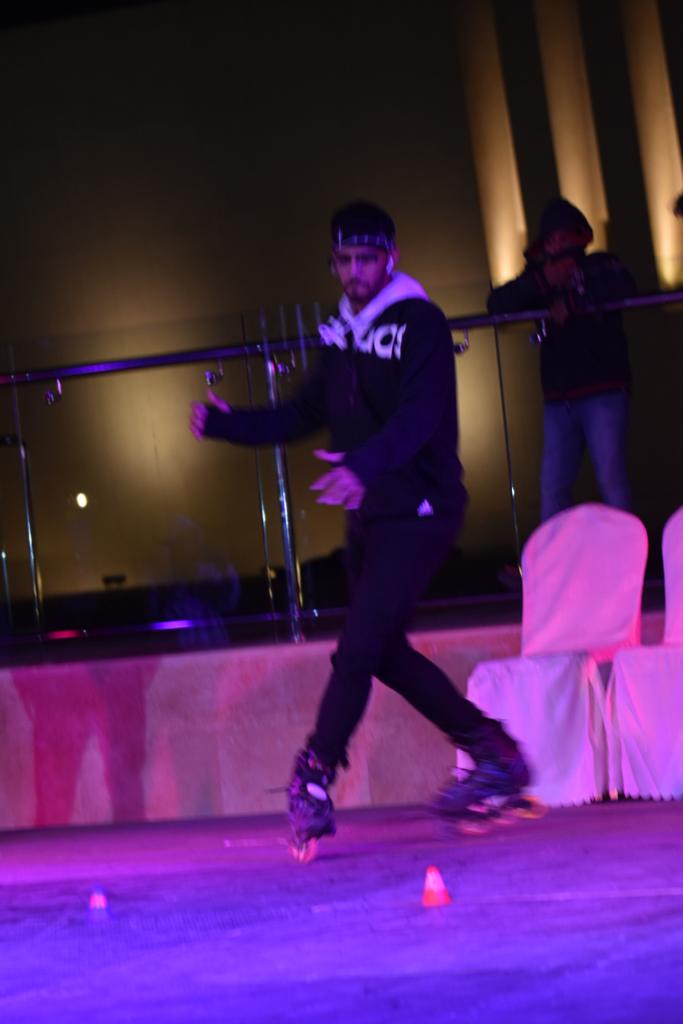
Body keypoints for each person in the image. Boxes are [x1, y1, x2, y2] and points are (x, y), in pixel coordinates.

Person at [190, 200, 530, 856]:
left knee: (355, 650)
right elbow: (302, 412)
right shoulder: (340, 333)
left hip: (422, 510)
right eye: (343, 261)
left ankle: (314, 776)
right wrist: (229, 424)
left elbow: (420, 415)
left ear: (391, 258)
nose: (354, 272)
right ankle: (495, 753)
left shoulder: (420, 324)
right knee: (383, 653)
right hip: (372, 517)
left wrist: (362, 465)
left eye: (366, 259)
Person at [488, 197, 637, 522]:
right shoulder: (538, 278)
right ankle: (553, 555)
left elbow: (625, 285)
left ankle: (632, 553)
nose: (558, 244)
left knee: (611, 482)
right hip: (560, 399)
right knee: (553, 488)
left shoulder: (600, 264)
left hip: (603, 390)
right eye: (551, 239)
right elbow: (497, 304)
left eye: (564, 237)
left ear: (579, 237)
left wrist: (574, 301)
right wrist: (543, 279)